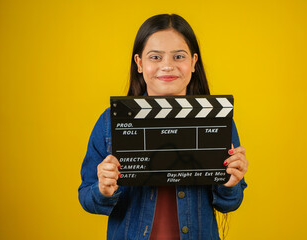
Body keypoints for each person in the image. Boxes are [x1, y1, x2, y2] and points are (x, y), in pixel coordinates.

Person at [78, 14, 248, 240]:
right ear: (139, 63)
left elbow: (231, 203)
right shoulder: (110, 122)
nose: (167, 66)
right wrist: (102, 189)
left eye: (179, 56)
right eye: (155, 57)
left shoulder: (217, 120)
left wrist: (230, 183)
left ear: (194, 62)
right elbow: (86, 198)